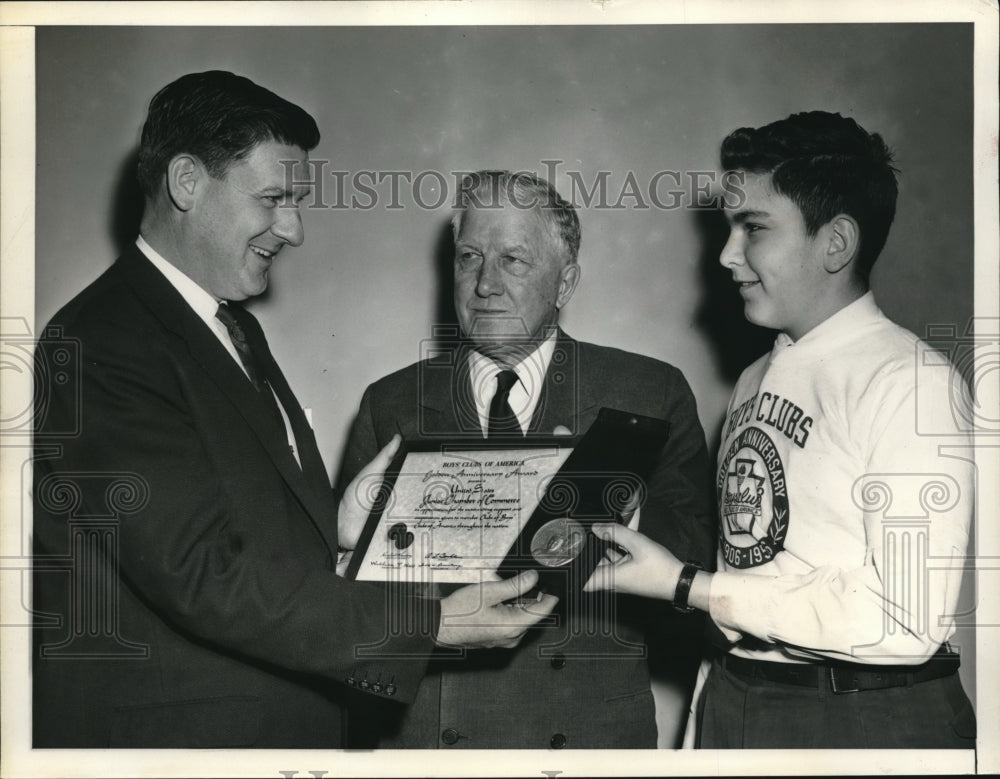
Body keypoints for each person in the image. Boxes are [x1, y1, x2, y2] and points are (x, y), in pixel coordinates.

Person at [31, 72, 555, 749]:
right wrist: (435, 622)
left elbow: (219, 528)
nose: (294, 229)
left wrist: (336, 529)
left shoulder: (228, 327)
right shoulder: (103, 339)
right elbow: (203, 574)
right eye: (274, 199)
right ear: (187, 183)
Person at [586, 111, 976, 748]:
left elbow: (905, 621)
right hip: (741, 698)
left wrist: (687, 587)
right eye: (728, 228)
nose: (725, 254)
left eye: (754, 228)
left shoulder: (910, 382)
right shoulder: (753, 377)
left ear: (836, 243)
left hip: (864, 717)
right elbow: (753, 563)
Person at [336, 170, 716, 749]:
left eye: (513, 260)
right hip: (432, 744)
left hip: (585, 741)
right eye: (469, 258)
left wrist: (611, 512)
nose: (485, 284)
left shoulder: (648, 394)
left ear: (565, 283)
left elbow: (699, 564)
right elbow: (347, 606)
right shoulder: (391, 403)